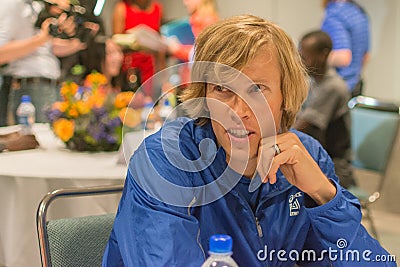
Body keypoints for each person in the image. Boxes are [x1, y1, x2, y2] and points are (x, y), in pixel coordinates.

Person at [102, 15, 395, 266]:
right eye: (222, 89)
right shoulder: (166, 160)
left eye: (257, 89)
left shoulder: (308, 157)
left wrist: (324, 195)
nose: (238, 111)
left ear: (285, 96)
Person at [0, 0, 85, 123]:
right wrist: (42, 38)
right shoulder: (11, 4)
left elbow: (47, 47)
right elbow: (2, 54)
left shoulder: (37, 5)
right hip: (29, 84)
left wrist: (78, 41)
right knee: (38, 137)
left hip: (52, 83)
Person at [294, 30, 356, 189]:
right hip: (314, 158)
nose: (301, 62)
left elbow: (304, 125)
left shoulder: (334, 87)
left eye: (305, 57)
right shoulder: (312, 83)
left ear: (323, 55)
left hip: (333, 167)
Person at [112, 0, 165, 95]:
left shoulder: (157, 8)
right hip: (129, 68)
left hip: (151, 67)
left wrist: (163, 76)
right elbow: (115, 43)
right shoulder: (122, 7)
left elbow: (160, 44)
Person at [321, 0, 370, 97]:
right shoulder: (359, 13)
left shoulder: (335, 14)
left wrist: (311, 58)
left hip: (337, 90)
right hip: (354, 87)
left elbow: (343, 57)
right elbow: (366, 56)